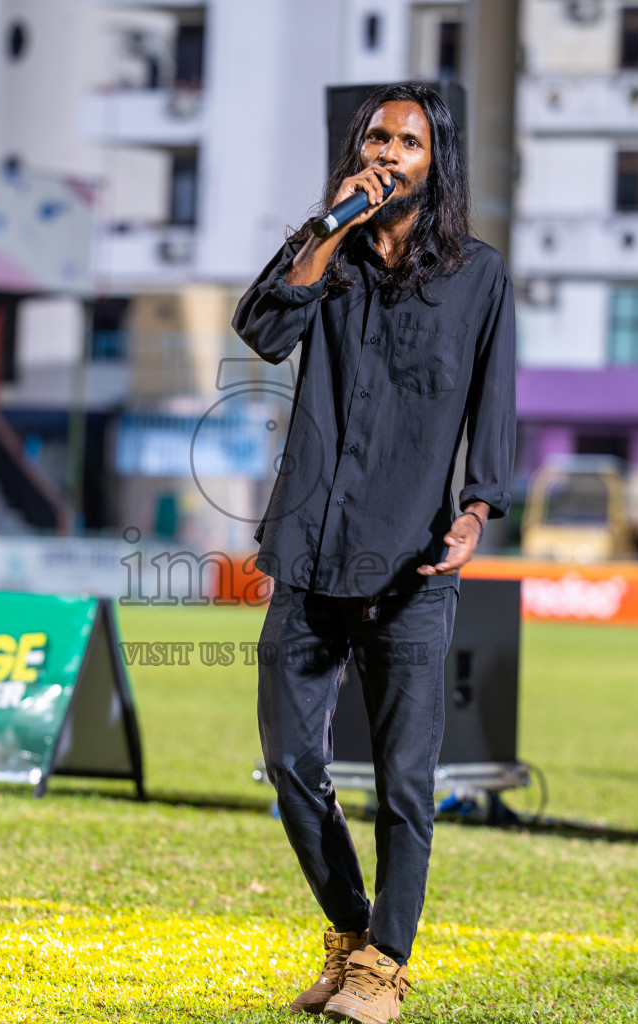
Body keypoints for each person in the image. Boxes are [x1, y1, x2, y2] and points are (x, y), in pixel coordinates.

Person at [230, 82, 516, 1023]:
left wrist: (477, 510)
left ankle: (383, 970)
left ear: (438, 165)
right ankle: (356, 941)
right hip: (310, 551)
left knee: (402, 782)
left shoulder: (478, 274)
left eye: (410, 142)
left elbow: (494, 403)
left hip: (412, 567)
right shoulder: (329, 244)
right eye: (378, 137)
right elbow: (265, 329)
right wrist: (330, 227)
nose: (390, 152)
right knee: (288, 763)